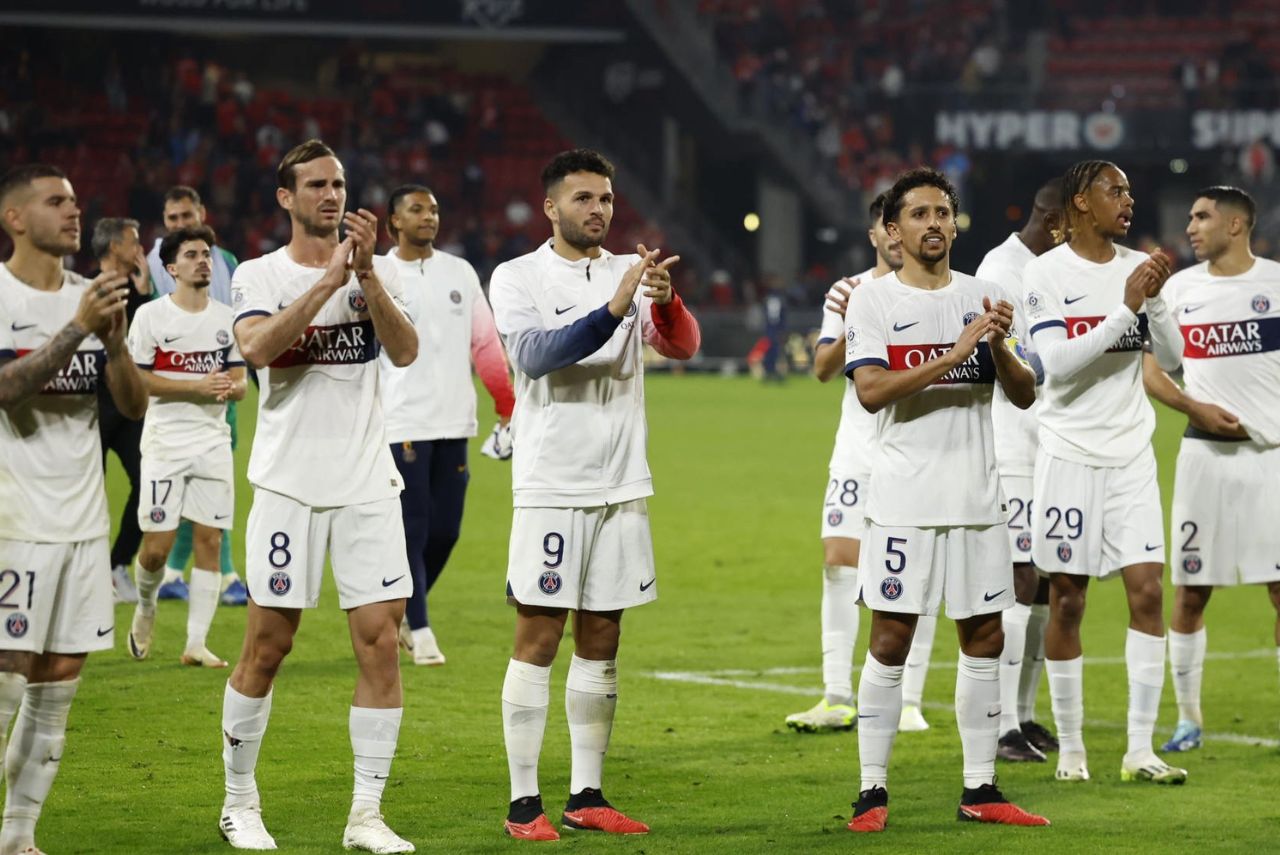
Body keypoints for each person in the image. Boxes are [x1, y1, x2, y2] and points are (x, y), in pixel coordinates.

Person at [489, 149, 700, 841]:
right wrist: (618, 304)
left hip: (622, 482)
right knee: (539, 634)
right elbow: (537, 356)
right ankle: (525, 801)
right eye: (583, 198)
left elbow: (682, 347)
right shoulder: (518, 276)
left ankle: (587, 793)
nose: (598, 209)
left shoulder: (628, 272)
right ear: (551, 207)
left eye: (605, 198)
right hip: (553, 482)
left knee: (603, 635)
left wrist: (666, 304)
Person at [217, 139, 418, 852]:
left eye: (338, 183)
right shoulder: (257, 273)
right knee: (269, 645)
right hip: (288, 486)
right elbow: (260, 348)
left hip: (366, 484)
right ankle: (239, 800)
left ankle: (366, 813)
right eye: (315, 185)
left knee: (379, 646)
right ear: (286, 197)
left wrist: (367, 279)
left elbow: (404, 350)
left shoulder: (371, 272)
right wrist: (330, 280)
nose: (331, 195)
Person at [844, 167, 1046, 832]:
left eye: (942, 212)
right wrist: (955, 350)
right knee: (891, 638)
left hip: (978, 501)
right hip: (904, 502)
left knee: (984, 637)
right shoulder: (872, 302)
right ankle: (872, 790)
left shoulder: (983, 295)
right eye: (919, 213)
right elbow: (871, 391)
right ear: (894, 230)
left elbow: (1022, 393)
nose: (933, 223)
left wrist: (996, 348)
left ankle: (980, 786)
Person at [1021, 159, 1186, 784]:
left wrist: (1158, 299)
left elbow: (1172, 359)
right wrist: (1126, 309)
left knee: (1147, 592)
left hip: (1131, 456)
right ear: (1081, 204)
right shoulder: (1045, 274)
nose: (1128, 199)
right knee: (1068, 600)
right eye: (1114, 190)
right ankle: (1071, 748)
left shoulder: (1133, 271)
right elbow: (1057, 364)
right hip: (1068, 455)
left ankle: (1140, 749)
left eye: (1130, 189)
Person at [0, 164, 148, 853]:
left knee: (57, 685)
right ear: (14, 218)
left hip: (83, 524)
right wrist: (75, 330)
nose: (73, 210)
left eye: (76, 200)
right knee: (6, 679)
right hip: (14, 523)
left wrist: (112, 338)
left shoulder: (94, 298)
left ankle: (19, 836)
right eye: (55, 201)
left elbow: (133, 404)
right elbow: (6, 389)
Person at [785, 193, 939, 734]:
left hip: (918, 452)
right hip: (857, 451)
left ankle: (911, 700)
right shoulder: (847, 291)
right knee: (838, 564)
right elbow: (824, 369)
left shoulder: (939, 291)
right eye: (889, 228)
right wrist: (854, 317)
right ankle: (835, 696)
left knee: (915, 574)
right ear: (877, 234)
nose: (898, 237)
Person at [1138, 187, 1280, 753]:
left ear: (1237, 224)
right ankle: (1188, 719)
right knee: (1192, 591)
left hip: (1271, 457)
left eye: (1203, 217)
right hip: (1204, 459)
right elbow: (1155, 369)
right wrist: (1194, 407)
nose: (1191, 227)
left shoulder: (1275, 283)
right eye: (1191, 215)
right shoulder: (1179, 290)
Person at [378, 183, 516, 667]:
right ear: (394, 220)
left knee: (446, 531)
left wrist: (506, 402)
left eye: (434, 209)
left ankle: (396, 605)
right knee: (413, 528)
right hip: (402, 422)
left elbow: (485, 344)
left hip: (455, 421)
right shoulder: (377, 273)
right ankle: (420, 629)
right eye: (416, 210)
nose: (428, 217)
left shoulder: (460, 272)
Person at [973, 179, 1066, 762]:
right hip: (1013, 448)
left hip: (1055, 447)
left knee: (1050, 582)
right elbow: (1006, 359)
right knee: (1021, 577)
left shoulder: (1060, 268)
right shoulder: (1000, 268)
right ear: (1058, 221)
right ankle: (1003, 725)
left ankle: (1026, 716)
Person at [126, 224, 246, 669]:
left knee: (209, 542)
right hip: (165, 443)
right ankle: (146, 605)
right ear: (172, 268)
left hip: (213, 442)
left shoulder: (226, 319)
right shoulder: (151, 318)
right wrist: (197, 387)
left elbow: (239, 384)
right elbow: (138, 379)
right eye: (193, 254)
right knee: (155, 549)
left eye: (206, 253)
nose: (203, 260)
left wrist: (229, 390)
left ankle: (196, 642)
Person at [146, 185, 247, 607]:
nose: (181, 225)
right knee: (193, 489)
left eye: (187, 217)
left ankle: (177, 573)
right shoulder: (154, 262)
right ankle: (222, 573)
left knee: (212, 487)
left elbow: (238, 325)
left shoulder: (225, 261)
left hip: (222, 390)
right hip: (172, 394)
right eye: (172, 219)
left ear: (202, 214)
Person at [91, 217, 152, 605]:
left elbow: (146, 345)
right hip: (91, 407)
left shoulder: (136, 292)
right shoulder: (82, 288)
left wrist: (144, 293)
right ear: (114, 247)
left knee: (148, 485)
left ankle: (116, 565)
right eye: (133, 241)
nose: (139, 249)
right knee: (88, 495)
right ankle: (89, 573)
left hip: (128, 407)